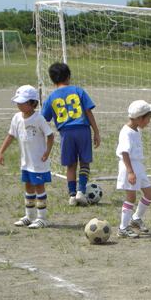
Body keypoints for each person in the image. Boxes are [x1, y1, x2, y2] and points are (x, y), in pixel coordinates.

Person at [41, 62, 100, 206]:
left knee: (71, 165)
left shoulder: (51, 97)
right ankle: (81, 191)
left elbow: (43, 119)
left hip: (66, 133)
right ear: (68, 76)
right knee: (84, 162)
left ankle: (72, 195)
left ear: (52, 79)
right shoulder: (78, 91)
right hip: (82, 130)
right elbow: (88, 111)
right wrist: (96, 131)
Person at [0, 85, 55, 229]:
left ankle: (42, 218)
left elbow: (50, 135)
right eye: (18, 102)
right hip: (26, 162)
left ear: (32, 103)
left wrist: (47, 152)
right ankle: (29, 216)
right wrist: (1, 151)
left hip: (38, 163)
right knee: (28, 187)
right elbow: (11, 135)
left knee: (39, 188)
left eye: (22, 102)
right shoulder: (16, 118)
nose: (19, 105)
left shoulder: (39, 119)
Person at [115, 100, 151, 238]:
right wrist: (130, 172)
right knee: (131, 197)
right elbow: (124, 152)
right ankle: (123, 228)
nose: (149, 122)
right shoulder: (126, 132)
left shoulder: (136, 130)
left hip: (138, 166)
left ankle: (136, 218)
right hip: (129, 167)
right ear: (139, 118)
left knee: (149, 193)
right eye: (148, 118)